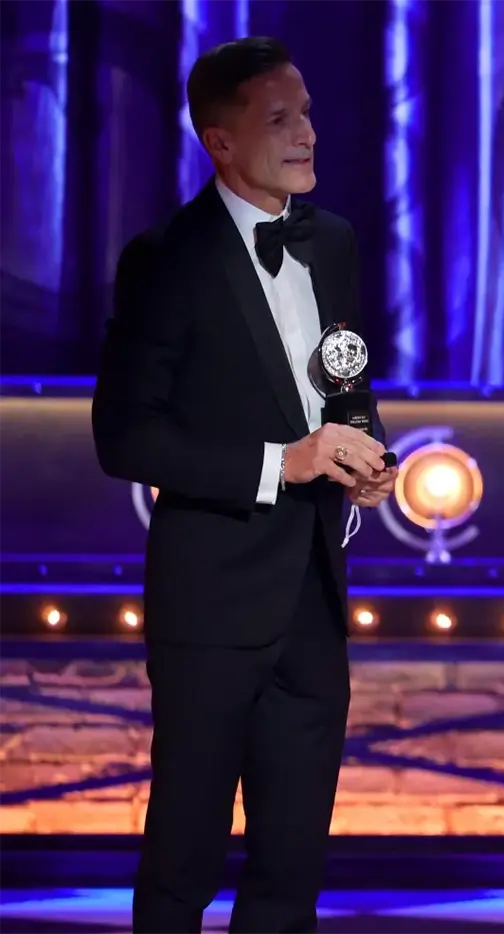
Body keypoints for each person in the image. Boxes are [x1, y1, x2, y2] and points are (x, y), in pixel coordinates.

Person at [91, 37, 396, 934]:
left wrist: (367, 459)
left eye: (307, 114)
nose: (307, 134)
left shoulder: (331, 242)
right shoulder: (167, 259)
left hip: (314, 600)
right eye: (279, 119)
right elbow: (125, 436)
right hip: (211, 603)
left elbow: (346, 385)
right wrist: (281, 463)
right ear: (219, 141)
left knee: (292, 867)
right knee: (183, 856)